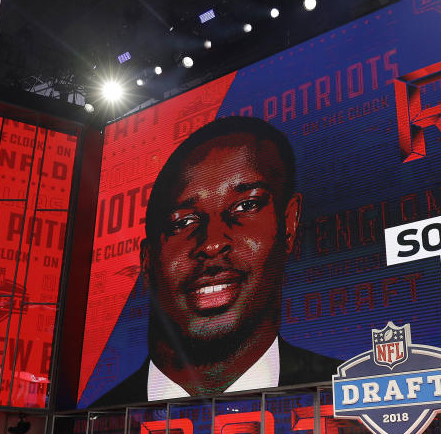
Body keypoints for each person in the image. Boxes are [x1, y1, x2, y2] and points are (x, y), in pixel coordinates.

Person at [95, 116, 339, 406]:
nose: (211, 243)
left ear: (289, 223)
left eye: (246, 206)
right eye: (184, 222)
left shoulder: (353, 398)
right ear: (147, 262)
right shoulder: (93, 422)